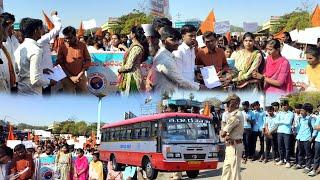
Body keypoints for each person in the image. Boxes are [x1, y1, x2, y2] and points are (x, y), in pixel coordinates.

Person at [15, 18, 57, 95]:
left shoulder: (20, 47)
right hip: (32, 95)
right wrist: (50, 81)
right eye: (41, 29)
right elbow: (35, 80)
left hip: (22, 92)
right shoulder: (36, 50)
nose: (42, 31)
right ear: (35, 31)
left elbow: (19, 70)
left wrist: (41, 70)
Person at [152, 26, 200, 95]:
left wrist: (197, 70)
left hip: (184, 88)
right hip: (171, 93)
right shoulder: (166, 58)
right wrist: (199, 87)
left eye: (177, 40)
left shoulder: (169, 54)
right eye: (173, 40)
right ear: (163, 41)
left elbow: (189, 67)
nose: (177, 43)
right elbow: (179, 79)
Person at [56, 26, 91, 94]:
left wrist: (80, 74)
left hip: (80, 77)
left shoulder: (82, 45)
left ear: (75, 36)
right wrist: (71, 77)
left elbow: (88, 60)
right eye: (66, 38)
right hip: (67, 78)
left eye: (70, 38)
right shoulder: (62, 47)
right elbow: (60, 64)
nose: (68, 40)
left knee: (83, 99)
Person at [117, 26, 148, 95]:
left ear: (134, 35)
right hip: (131, 76)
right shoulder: (134, 46)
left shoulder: (136, 47)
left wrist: (119, 70)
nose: (129, 34)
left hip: (132, 77)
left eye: (130, 33)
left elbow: (129, 66)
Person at [37, 10, 63, 95]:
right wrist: (54, 16)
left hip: (45, 76)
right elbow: (58, 27)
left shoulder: (41, 41)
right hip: (43, 79)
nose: (46, 30)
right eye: (42, 28)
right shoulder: (42, 40)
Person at [220, 93, 244, 180]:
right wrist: (226, 134)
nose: (227, 106)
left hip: (235, 146)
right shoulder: (231, 115)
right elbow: (224, 132)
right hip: (230, 145)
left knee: (234, 172)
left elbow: (223, 133)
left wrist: (225, 134)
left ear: (236, 103)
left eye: (229, 103)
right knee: (226, 170)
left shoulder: (236, 115)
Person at [294, 103, 316, 173]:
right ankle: (300, 164)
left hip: (307, 138)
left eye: (302, 111)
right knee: (300, 152)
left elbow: (315, 129)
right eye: (301, 110)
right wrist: (297, 136)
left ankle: (308, 166)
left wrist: (312, 137)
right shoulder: (300, 118)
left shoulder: (311, 119)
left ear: (307, 111)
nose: (301, 112)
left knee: (308, 153)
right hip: (300, 138)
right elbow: (299, 127)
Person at [276, 100, 294, 168]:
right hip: (279, 131)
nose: (284, 106)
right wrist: (282, 122)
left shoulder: (291, 113)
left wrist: (280, 122)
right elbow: (276, 122)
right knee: (280, 147)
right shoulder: (279, 113)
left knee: (287, 148)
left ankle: (288, 161)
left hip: (287, 132)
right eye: (283, 105)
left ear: (288, 105)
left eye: (285, 105)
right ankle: (281, 159)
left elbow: (288, 122)